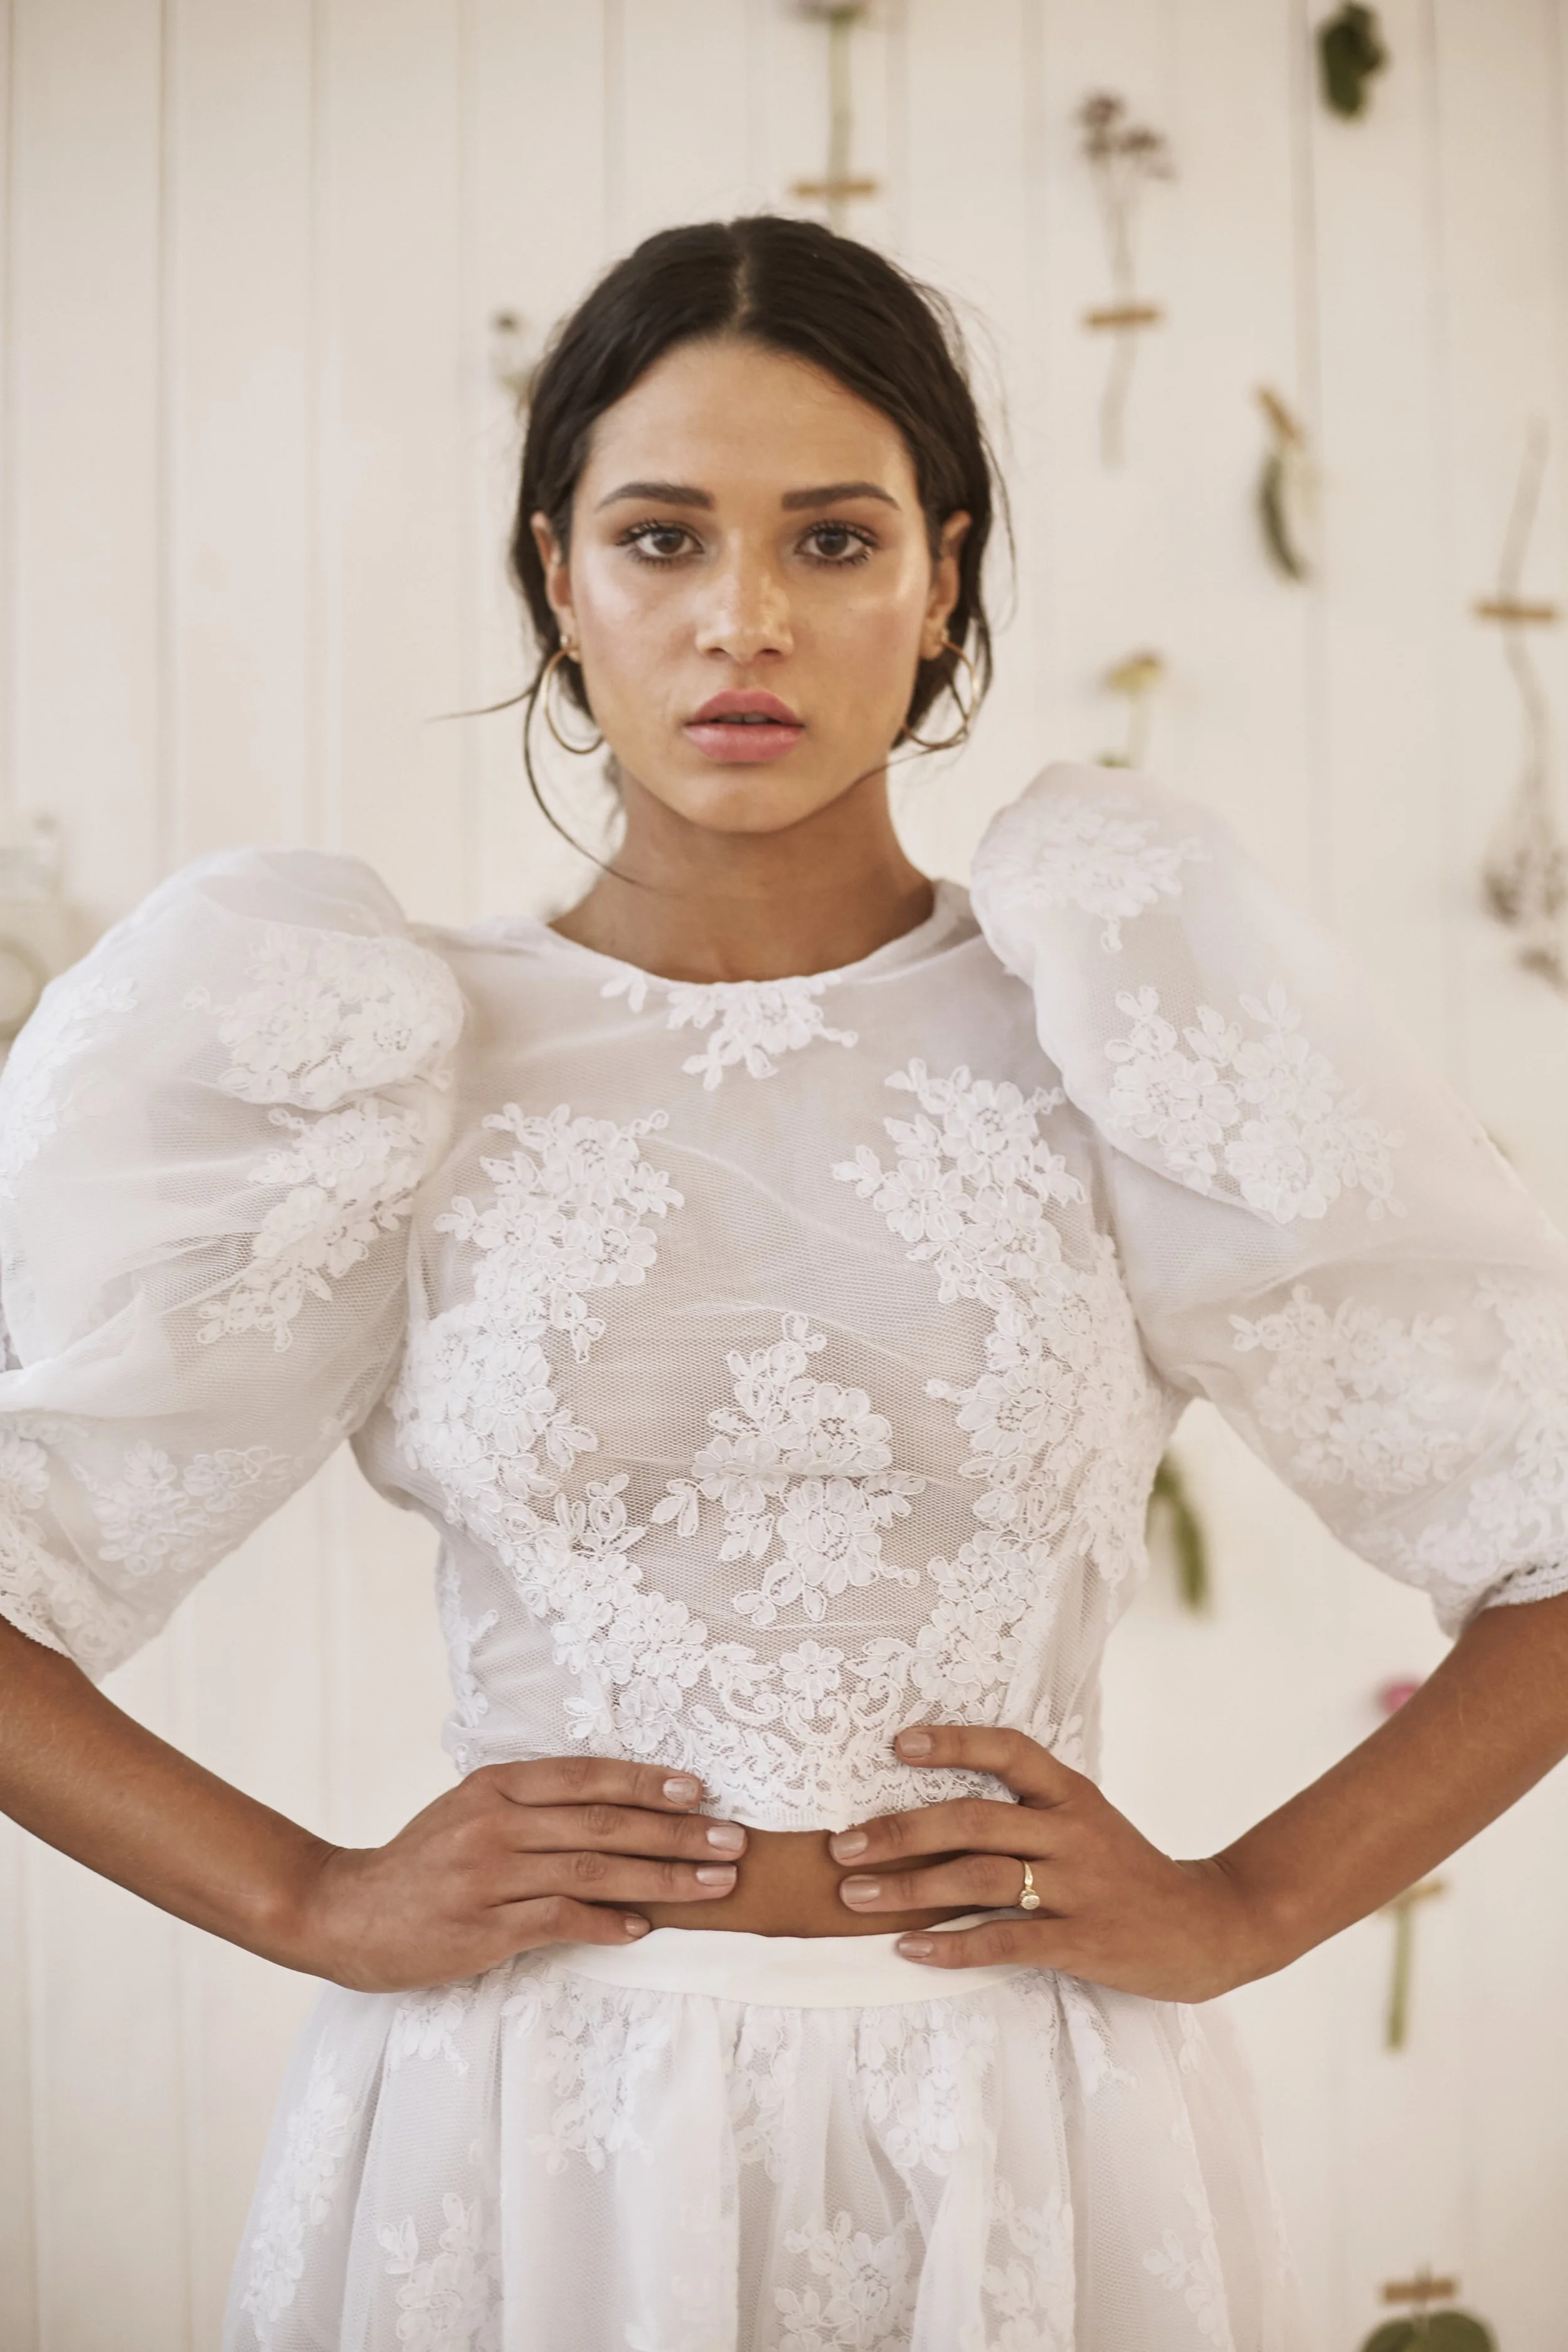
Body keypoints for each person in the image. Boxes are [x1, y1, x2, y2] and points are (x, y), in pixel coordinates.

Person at [1, 215, 1566, 2352]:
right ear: (558, 576)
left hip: (1022, 2129)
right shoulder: (364, 1047)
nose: (742, 617)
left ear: (941, 577)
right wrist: (304, 1894)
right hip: (521, 2132)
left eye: (831, 540)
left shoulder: (1113, 1017)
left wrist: (1248, 1902)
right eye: (661, 537)